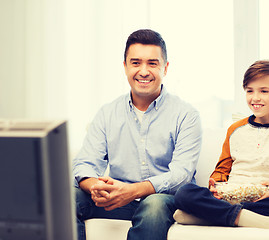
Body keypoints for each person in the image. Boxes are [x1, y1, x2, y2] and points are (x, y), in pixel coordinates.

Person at [73, 29, 202, 240]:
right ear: (124, 67)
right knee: (68, 197)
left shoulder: (186, 115)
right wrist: (95, 187)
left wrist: (132, 191)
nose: (143, 71)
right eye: (135, 63)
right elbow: (85, 163)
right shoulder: (107, 113)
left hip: (162, 201)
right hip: (116, 201)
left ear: (165, 68)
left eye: (152, 63)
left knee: (153, 205)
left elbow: (182, 175)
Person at [174, 60, 269, 228]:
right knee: (184, 193)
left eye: (264, 91)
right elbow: (222, 170)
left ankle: (214, 216)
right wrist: (215, 184)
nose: (255, 98)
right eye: (249, 91)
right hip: (230, 197)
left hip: (268, 199)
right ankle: (263, 221)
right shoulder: (235, 129)